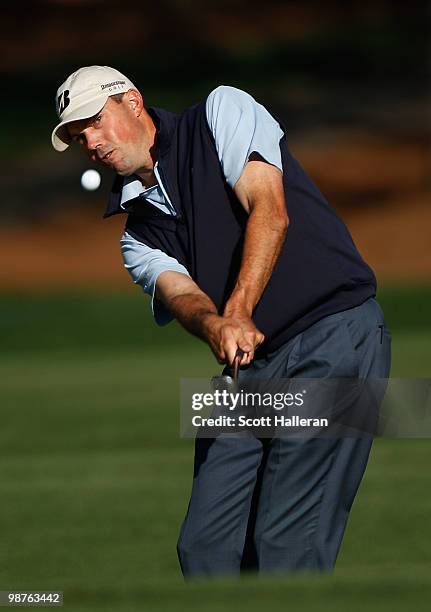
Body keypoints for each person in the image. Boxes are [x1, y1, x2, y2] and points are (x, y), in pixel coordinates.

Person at [51, 65, 391, 577]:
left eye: (95, 122)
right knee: (205, 549)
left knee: (287, 547)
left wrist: (237, 311)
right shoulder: (135, 234)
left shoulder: (219, 113)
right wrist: (214, 325)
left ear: (133, 102)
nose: (92, 142)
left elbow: (269, 209)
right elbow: (181, 293)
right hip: (246, 370)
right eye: (80, 137)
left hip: (336, 336)